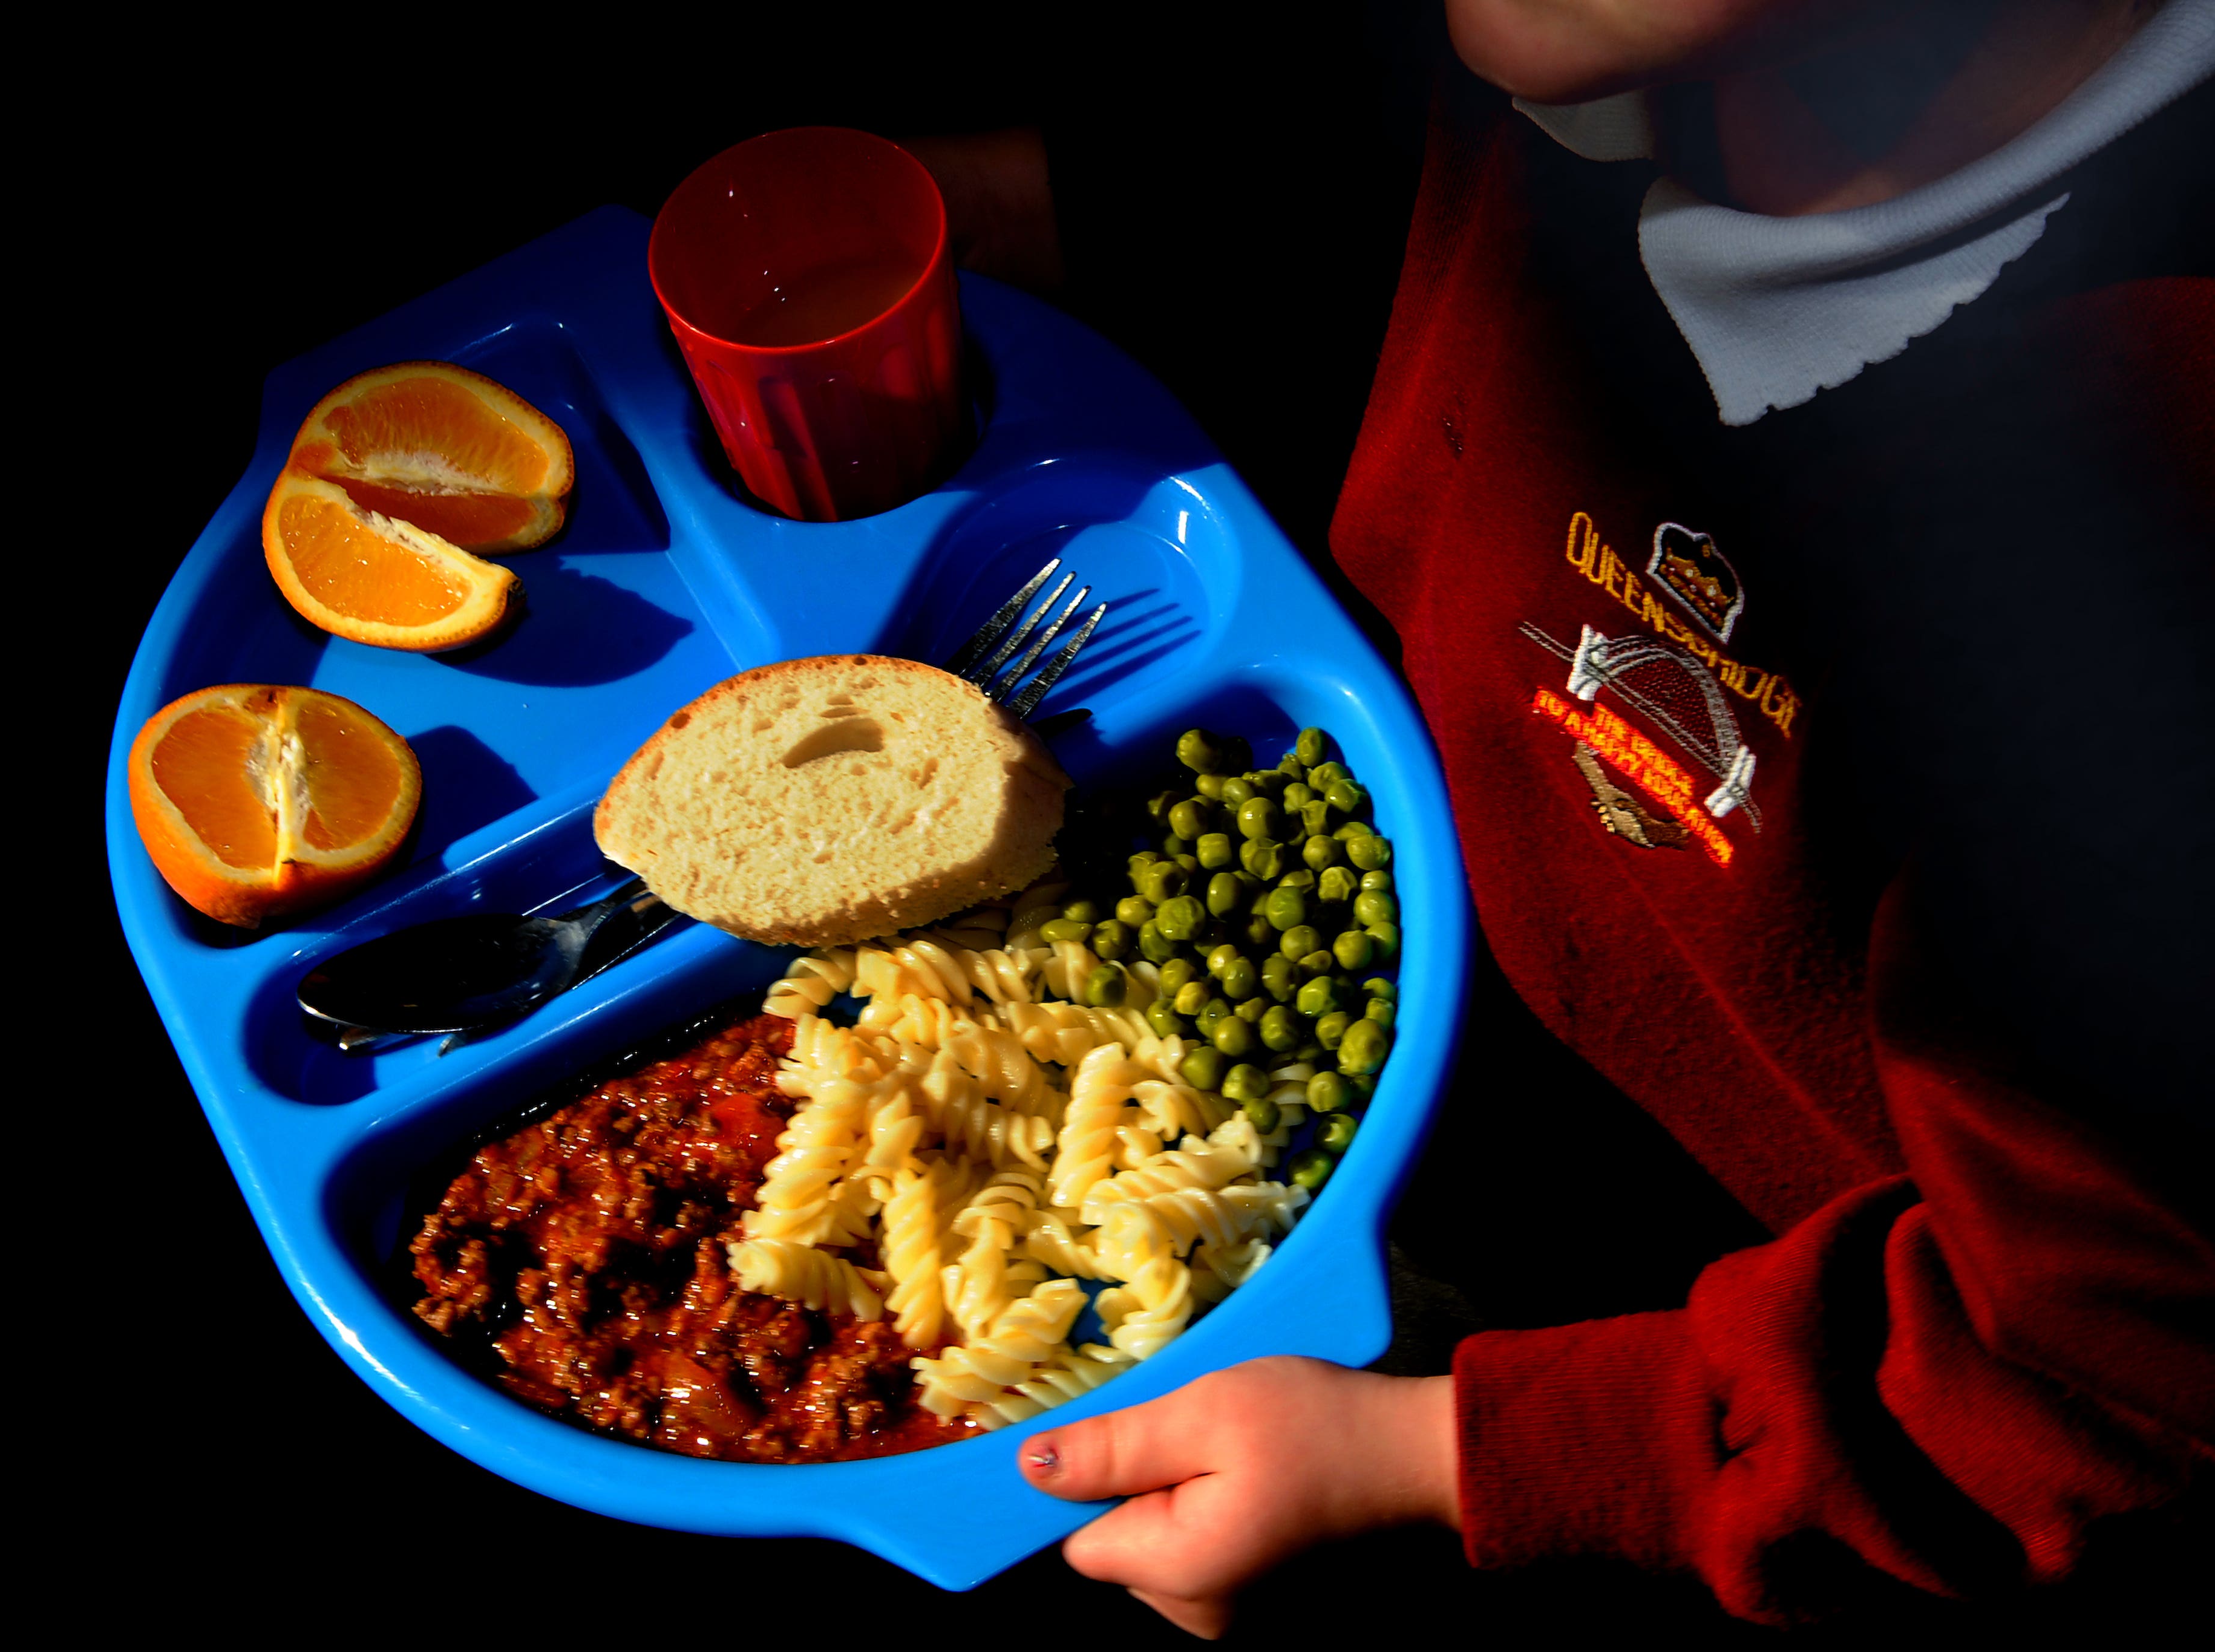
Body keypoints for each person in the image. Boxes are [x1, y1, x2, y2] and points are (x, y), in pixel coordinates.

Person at [914, 1, 2211, 1637]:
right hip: (1457, 1046)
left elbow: (2106, 1377)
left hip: (1748, 1365)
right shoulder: (1589, 42)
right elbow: (1323, 168)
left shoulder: (2141, 509)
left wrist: (1437, 1456)